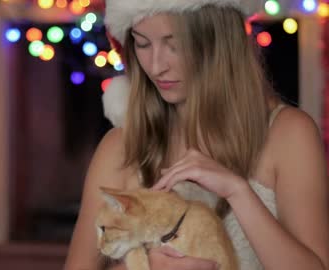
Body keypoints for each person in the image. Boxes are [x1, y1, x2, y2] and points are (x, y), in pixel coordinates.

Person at [64, 0, 329, 269]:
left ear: (218, 40)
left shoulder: (288, 135)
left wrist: (238, 192)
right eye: (142, 44)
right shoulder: (120, 148)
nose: (157, 66)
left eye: (174, 44)